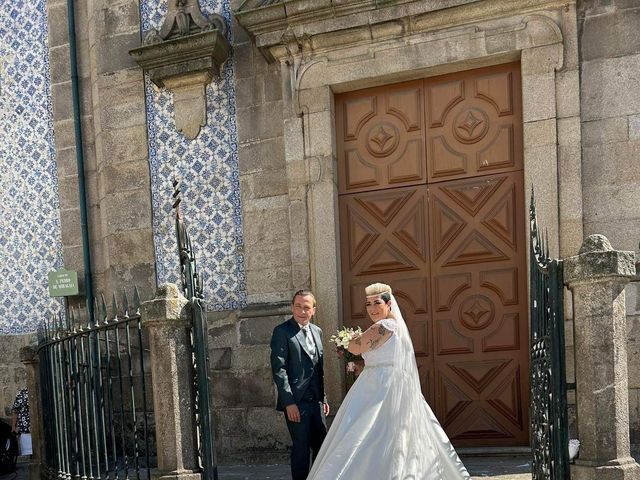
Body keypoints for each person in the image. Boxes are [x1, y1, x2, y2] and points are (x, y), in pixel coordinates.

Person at [307, 282, 470, 480]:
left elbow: (356, 348)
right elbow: (383, 358)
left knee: (367, 433)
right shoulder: (394, 327)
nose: (372, 309)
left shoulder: (384, 326)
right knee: (387, 436)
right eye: (368, 304)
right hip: (379, 381)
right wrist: (361, 366)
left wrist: (346, 341)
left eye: (377, 303)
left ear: (389, 303)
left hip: (380, 389)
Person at [270, 290, 330, 480]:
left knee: (321, 448)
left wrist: (324, 397)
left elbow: (319, 368)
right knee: (301, 448)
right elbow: (279, 369)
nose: (301, 311)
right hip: (296, 402)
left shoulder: (318, 331)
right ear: (292, 307)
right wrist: (289, 403)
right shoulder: (282, 331)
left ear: (313, 310)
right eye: (298, 306)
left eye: (306, 307)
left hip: (316, 402)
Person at [10, 387, 32, 456]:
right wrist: (13, 427)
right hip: (25, 429)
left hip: (39, 430)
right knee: (27, 453)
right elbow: (15, 411)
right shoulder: (21, 393)